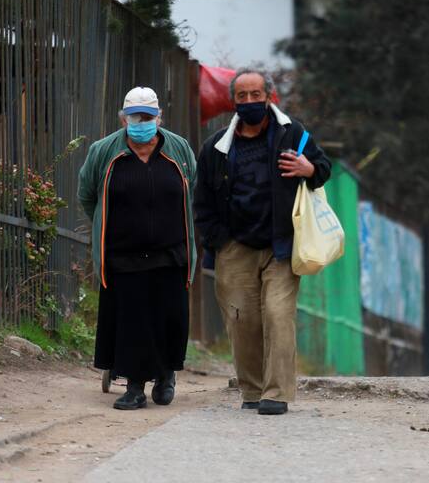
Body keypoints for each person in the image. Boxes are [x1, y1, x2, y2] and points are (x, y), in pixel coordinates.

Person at [194, 69, 331, 415]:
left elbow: (323, 167)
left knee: (277, 314)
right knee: (242, 320)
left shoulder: (293, 134)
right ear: (234, 101)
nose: (251, 101)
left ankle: (277, 393)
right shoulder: (215, 148)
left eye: (257, 94)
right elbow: (203, 201)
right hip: (235, 246)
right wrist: (218, 240)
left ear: (269, 96)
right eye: (243, 96)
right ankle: (252, 390)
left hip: (281, 245)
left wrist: (309, 169)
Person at [78, 87, 197, 410]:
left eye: (148, 116)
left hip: (170, 252)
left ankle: (166, 375)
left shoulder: (179, 149)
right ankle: (134, 387)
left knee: (168, 317)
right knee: (132, 319)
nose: (142, 122)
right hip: (123, 254)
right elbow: (87, 193)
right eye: (135, 117)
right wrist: (107, 224)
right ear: (123, 119)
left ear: (159, 117)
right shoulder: (104, 151)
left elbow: (191, 188)